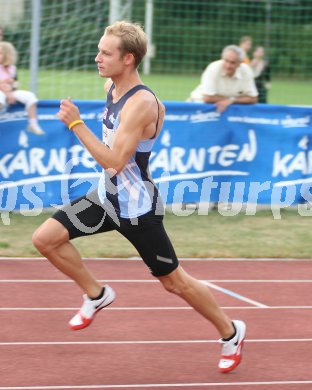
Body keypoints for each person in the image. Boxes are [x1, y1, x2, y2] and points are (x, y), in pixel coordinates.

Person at [32, 21, 246, 373]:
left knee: (174, 282)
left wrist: (75, 124)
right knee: (45, 239)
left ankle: (230, 332)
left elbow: (115, 161)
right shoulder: (111, 86)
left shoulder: (142, 104)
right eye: (99, 50)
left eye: (106, 52)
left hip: (136, 208)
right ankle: (97, 294)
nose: (97, 57)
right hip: (105, 199)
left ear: (128, 58)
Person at [188, 45, 258, 113]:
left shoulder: (246, 70)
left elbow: (253, 99)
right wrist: (230, 100)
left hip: (227, 110)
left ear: (239, 63)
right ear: (222, 58)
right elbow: (208, 98)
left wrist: (231, 100)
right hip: (197, 106)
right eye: (226, 61)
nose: (228, 65)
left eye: (232, 62)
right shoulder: (213, 68)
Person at [0, 41, 44, 135]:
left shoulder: (12, 68)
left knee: (30, 96)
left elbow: (16, 83)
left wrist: (11, 86)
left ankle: (33, 123)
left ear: (7, 55)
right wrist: (6, 90)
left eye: (0, 53)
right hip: (2, 92)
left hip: (10, 91)